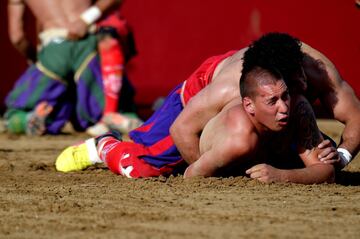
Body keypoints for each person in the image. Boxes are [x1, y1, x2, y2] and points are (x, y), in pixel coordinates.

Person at [5, 0, 135, 135]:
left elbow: (17, 38)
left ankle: (28, 119)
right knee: (118, 106)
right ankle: (116, 117)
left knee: (16, 111)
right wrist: (85, 20)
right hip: (88, 45)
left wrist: (36, 59)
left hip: (53, 51)